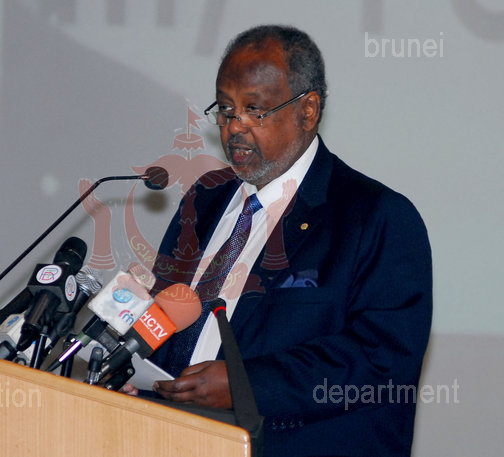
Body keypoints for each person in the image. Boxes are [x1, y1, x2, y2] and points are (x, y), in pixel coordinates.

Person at [147, 25, 432, 456]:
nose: (234, 127)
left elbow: (382, 360)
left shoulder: (376, 216)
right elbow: (168, 314)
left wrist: (245, 385)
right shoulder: (204, 198)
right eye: (225, 109)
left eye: (254, 110)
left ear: (307, 110)